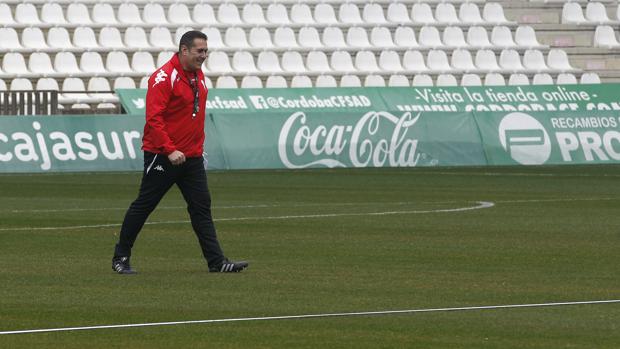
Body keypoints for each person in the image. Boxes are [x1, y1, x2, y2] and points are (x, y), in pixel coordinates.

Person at [112, 30, 248, 274]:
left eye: (206, 51)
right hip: (163, 155)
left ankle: (216, 262)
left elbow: (192, 116)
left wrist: (197, 148)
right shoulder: (164, 77)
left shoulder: (197, 75)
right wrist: (170, 149)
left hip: (191, 157)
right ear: (184, 50)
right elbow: (154, 119)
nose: (204, 55)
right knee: (145, 205)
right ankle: (120, 257)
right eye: (200, 51)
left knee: (201, 207)